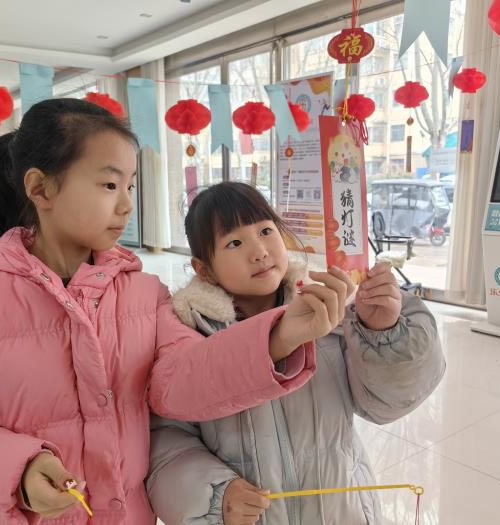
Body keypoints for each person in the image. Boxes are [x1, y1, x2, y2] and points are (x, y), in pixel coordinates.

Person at [0, 99, 343, 525]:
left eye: (130, 185)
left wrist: (276, 336)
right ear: (41, 188)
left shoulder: (145, 296)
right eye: (108, 184)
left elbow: (183, 380)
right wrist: (15, 473)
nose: (125, 204)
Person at [147, 182, 446, 525]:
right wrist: (214, 496)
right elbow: (166, 442)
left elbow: (383, 405)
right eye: (234, 243)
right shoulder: (189, 335)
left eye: (265, 231)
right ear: (204, 269)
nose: (259, 251)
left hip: (341, 512)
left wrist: (382, 333)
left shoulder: (326, 311)